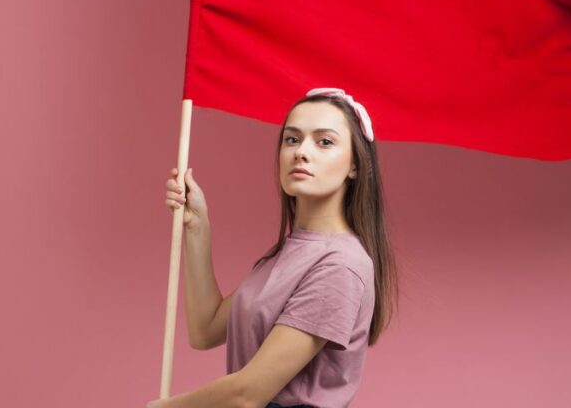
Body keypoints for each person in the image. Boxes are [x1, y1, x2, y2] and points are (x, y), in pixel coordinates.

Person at [147, 88, 400, 408]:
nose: (301, 152)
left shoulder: (340, 266)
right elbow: (205, 329)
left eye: (325, 142)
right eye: (292, 139)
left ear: (355, 166)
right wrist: (198, 226)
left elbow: (248, 393)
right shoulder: (290, 252)